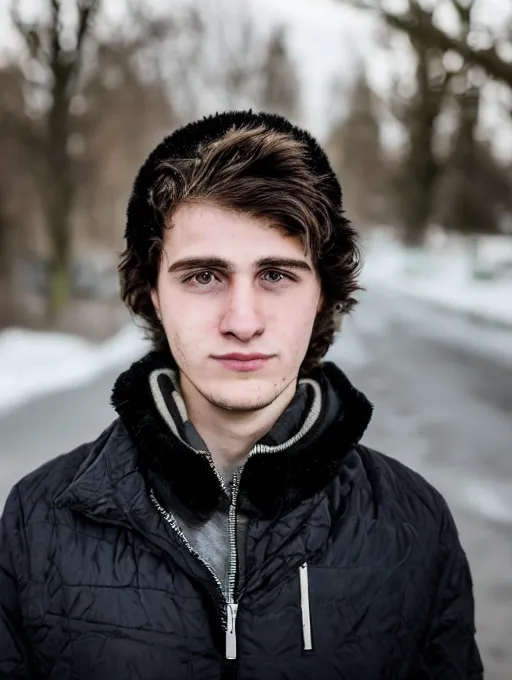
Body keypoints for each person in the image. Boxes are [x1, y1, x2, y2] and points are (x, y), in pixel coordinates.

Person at [0, 111, 483, 680]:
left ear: (321, 294)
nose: (242, 321)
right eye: (203, 276)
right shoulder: (37, 520)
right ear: (154, 292)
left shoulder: (414, 524)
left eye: (276, 275)